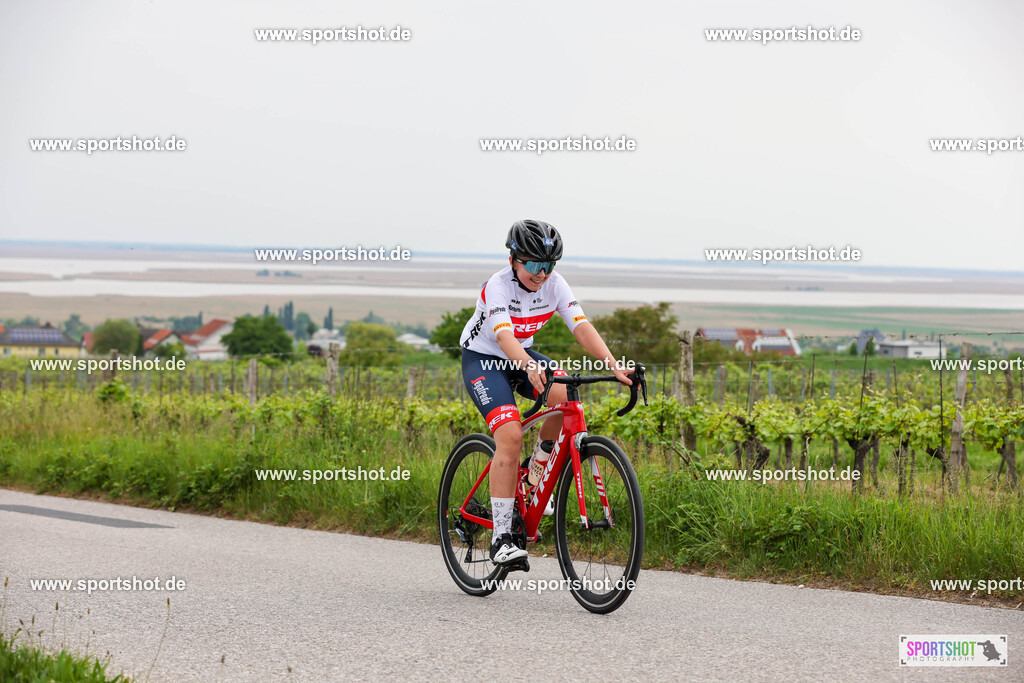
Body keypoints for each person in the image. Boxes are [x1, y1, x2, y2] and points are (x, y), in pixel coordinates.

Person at [459, 219, 634, 567]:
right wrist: (527, 365)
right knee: (510, 435)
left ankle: (535, 472)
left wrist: (614, 364)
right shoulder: (497, 286)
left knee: (566, 393)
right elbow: (504, 336)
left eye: (549, 265)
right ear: (513, 259)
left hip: (521, 354)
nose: (541, 274)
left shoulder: (555, 284)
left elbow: (581, 327)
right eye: (534, 264)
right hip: (484, 360)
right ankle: (501, 538)